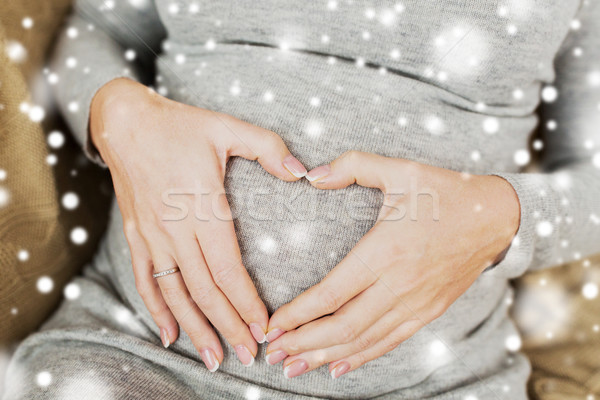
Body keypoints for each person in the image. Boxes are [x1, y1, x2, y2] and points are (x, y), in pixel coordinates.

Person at [4, 0, 600, 399]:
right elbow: (97, 26)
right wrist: (117, 112)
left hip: (432, 387)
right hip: (132, 353)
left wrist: (501, 216)